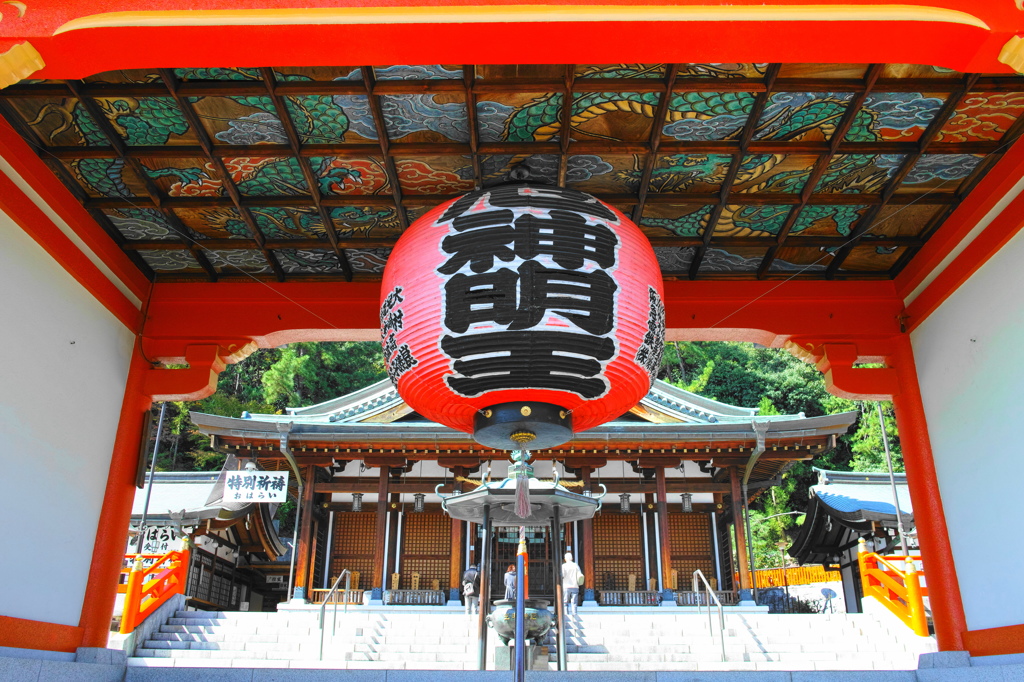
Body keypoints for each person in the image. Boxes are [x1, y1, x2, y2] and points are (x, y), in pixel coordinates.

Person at [561, 552, 583, 617]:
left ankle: (566, 614)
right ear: (572, 558)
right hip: (575, 585)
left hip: (566, 586)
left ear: (565, 559)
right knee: (574, 601)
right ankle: (574, 613)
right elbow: (579, 574)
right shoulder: (575, 565)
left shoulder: (564, 566)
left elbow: (562, 575)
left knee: (565, 601)